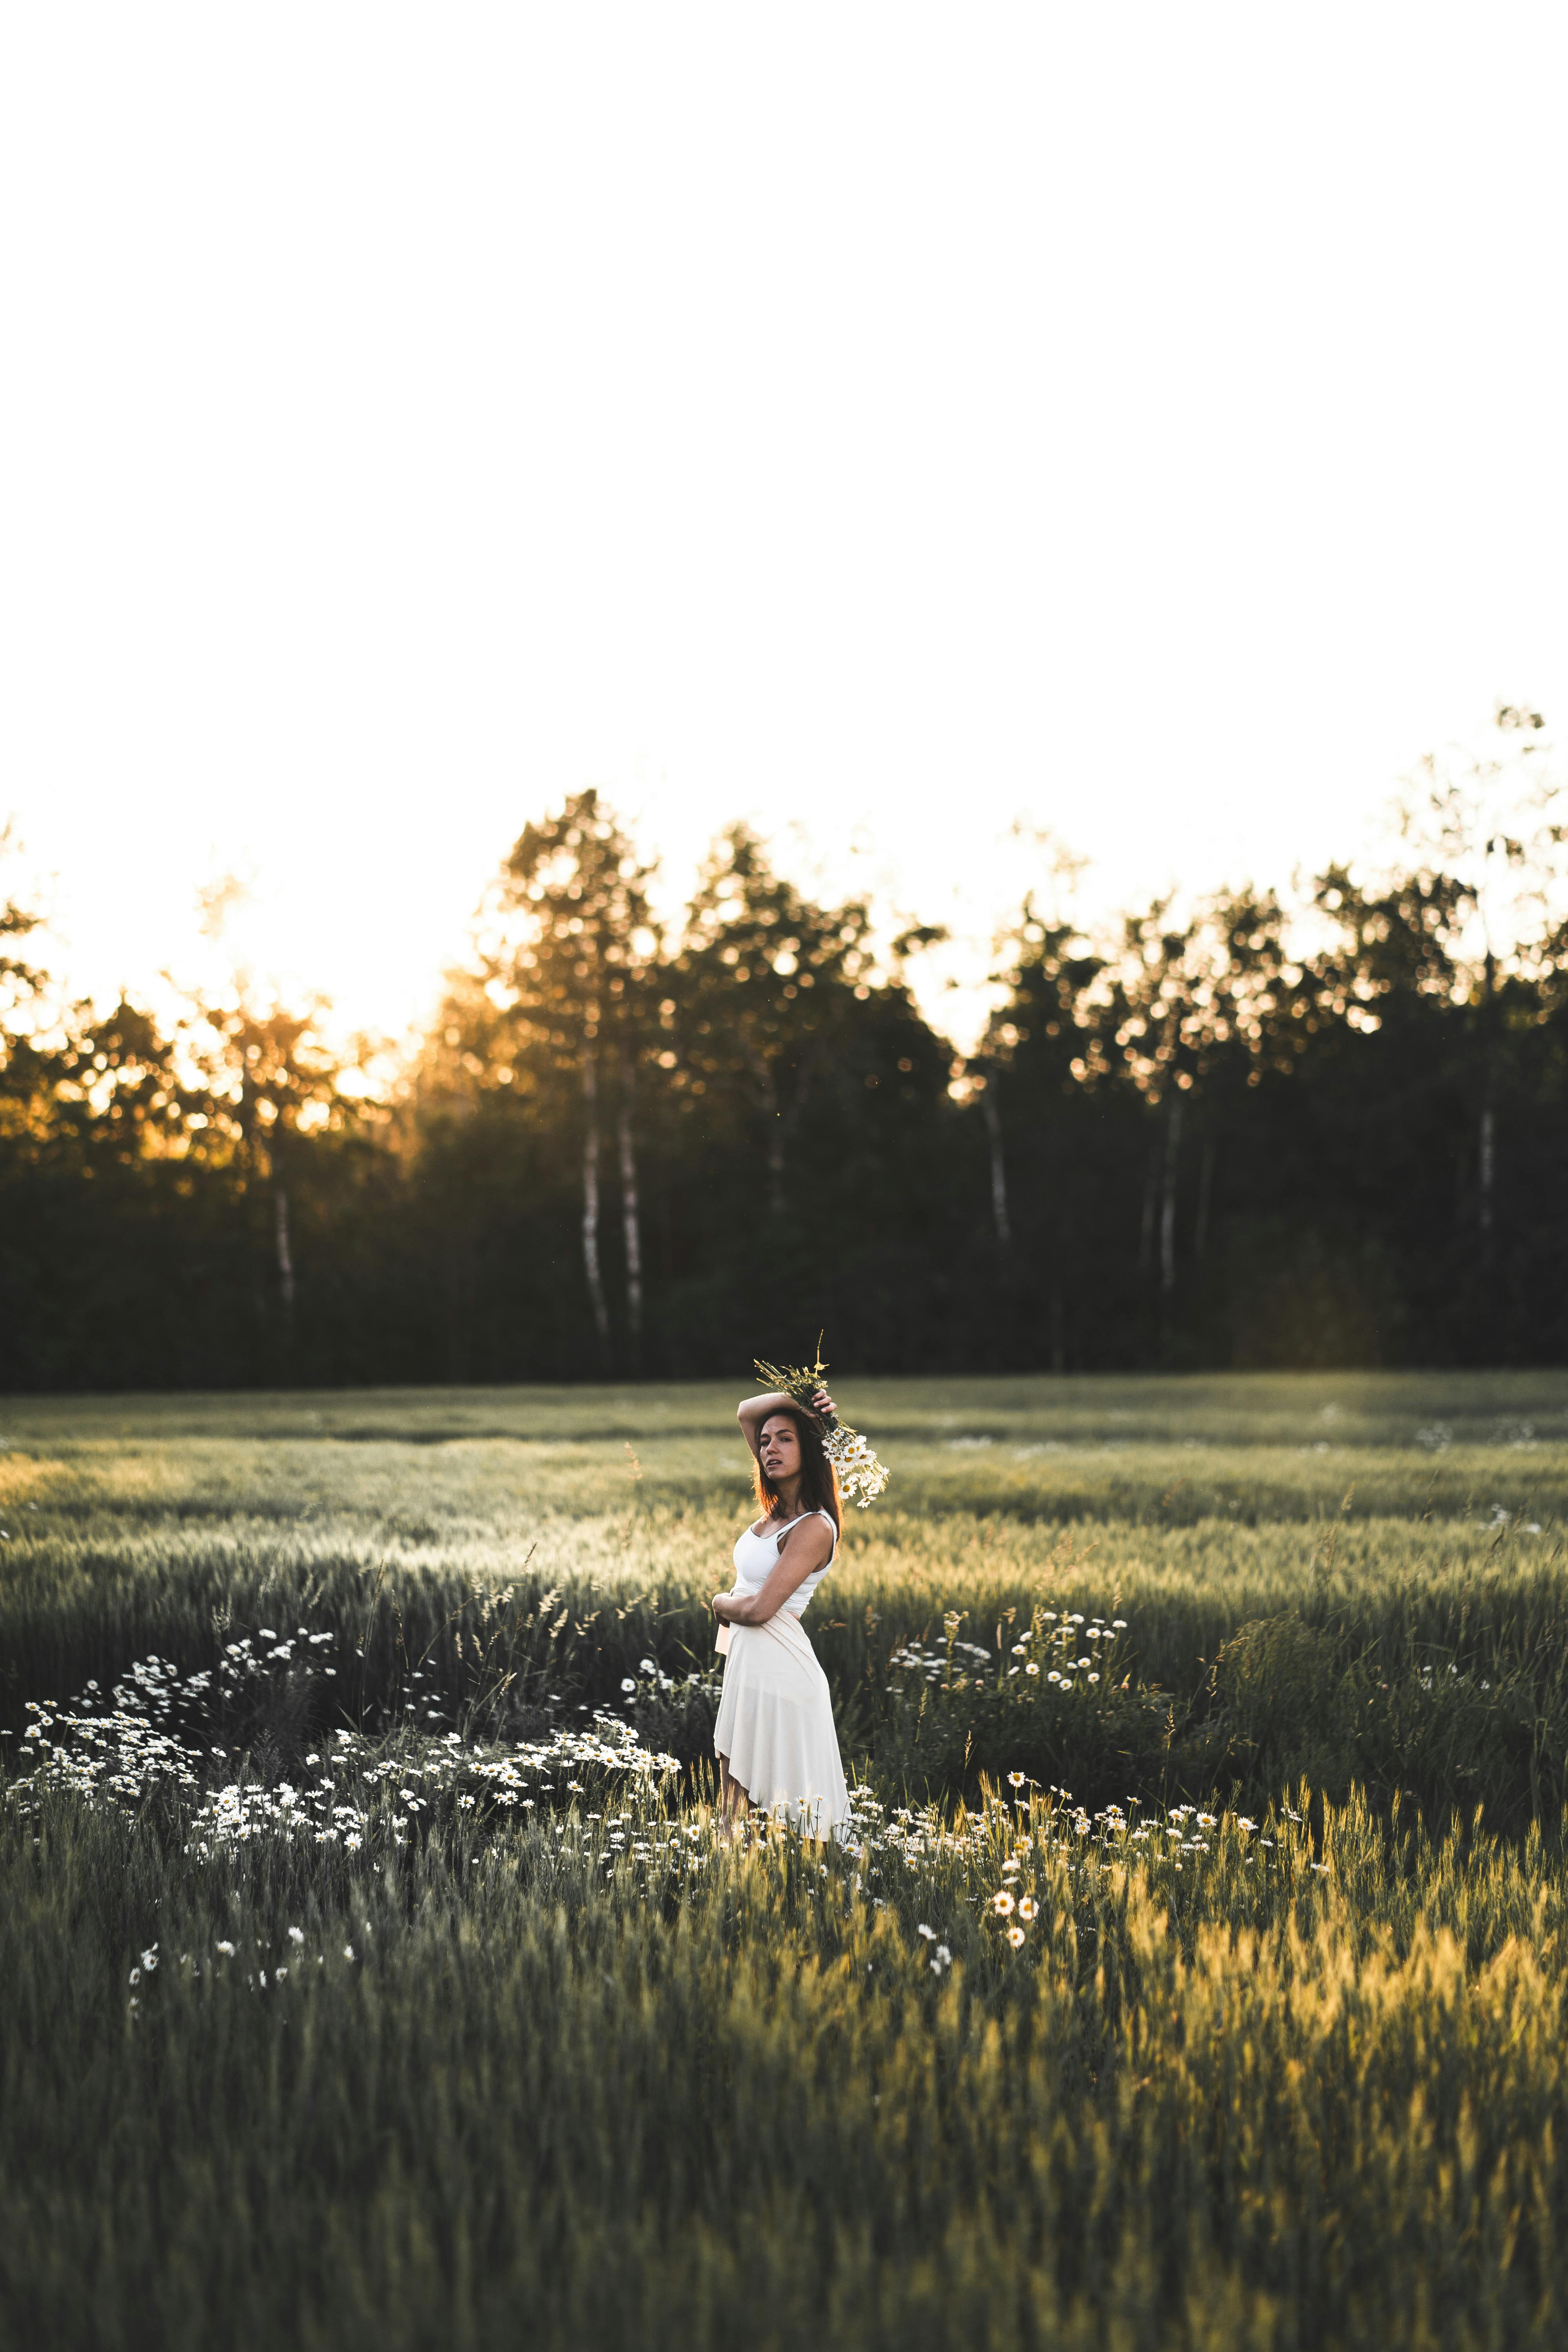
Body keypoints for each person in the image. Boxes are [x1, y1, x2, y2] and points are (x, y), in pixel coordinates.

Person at [710, 1382, 852, 1839]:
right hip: (749, 1665)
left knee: (780, 1804)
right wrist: (803, 1404)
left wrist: (719, 1602)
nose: (769, 1448)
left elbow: (757, 1610)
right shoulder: (774, 1517)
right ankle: (730, 1894)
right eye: (765, 1441)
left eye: (785, 1439)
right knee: (732, 1795)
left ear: (809, 1450)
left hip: (782, 1672)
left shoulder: (813, 1527)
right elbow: (746, 1410)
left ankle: (793, 1893)